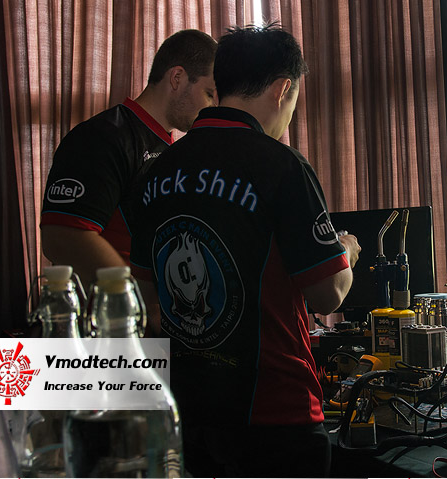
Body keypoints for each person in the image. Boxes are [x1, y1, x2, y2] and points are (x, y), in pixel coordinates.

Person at [130, 24, 361, 477]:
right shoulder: (282, 166)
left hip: (188, 412)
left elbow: (146, 293)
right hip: (275, 417)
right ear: (283, 89)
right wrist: (345, 252)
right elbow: (327, 294)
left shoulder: (158, 170)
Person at [40, 29, 218, 285]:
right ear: (177, 78)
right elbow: (62, 236)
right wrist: (134, 298)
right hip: (113, 307)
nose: (212, 107)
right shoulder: (103, 137)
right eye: (209, 94)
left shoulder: (171, 148)